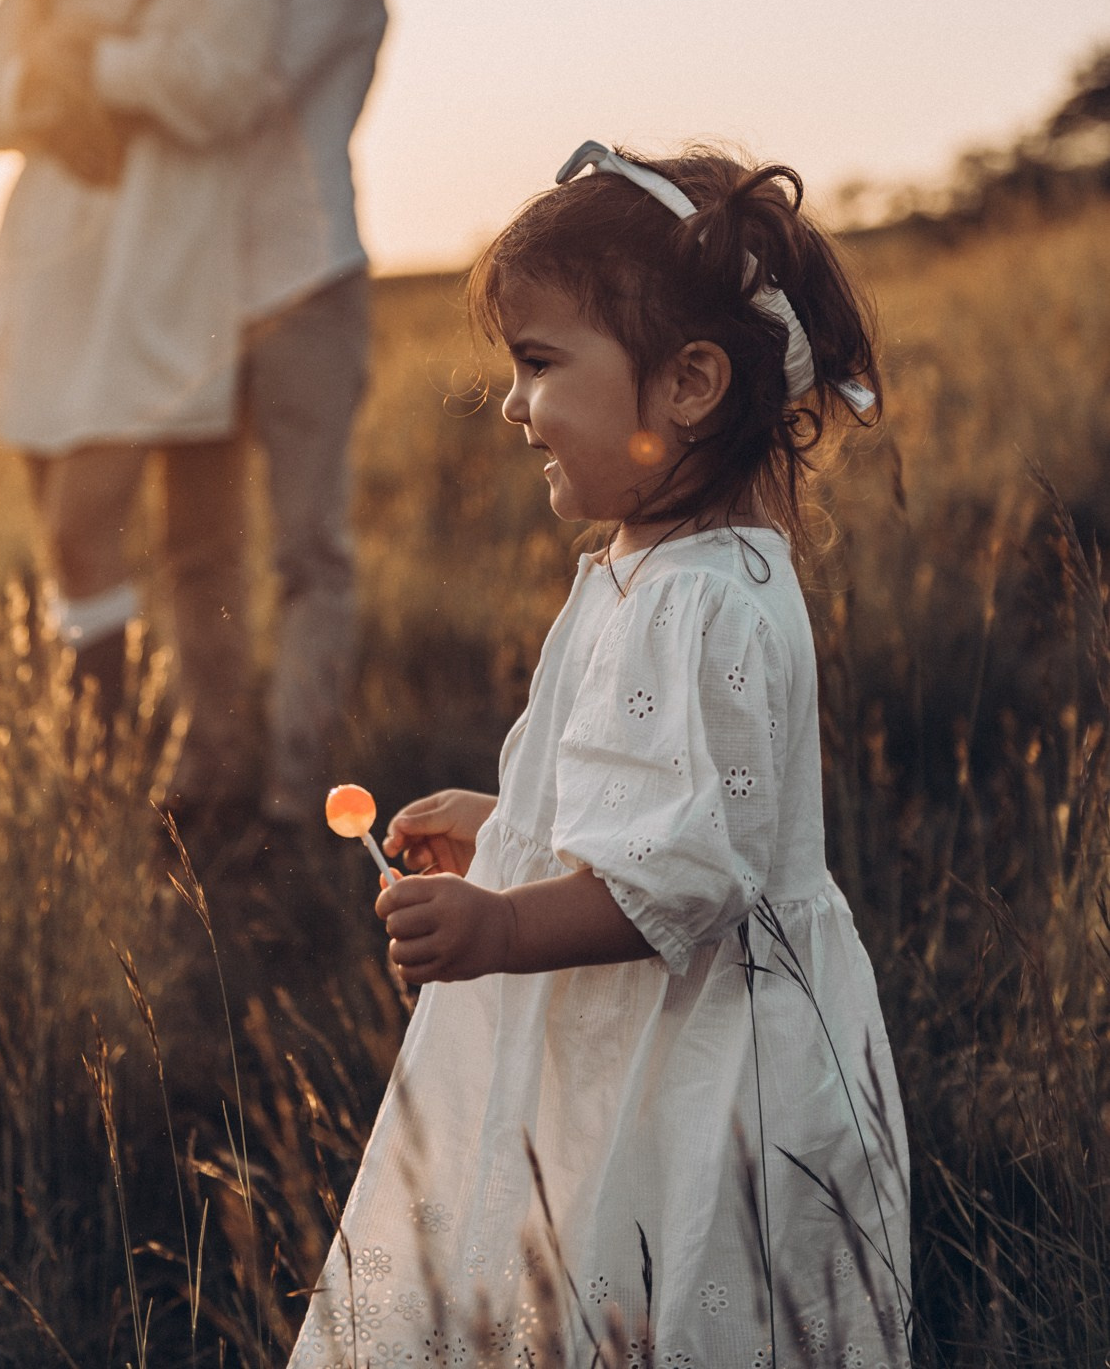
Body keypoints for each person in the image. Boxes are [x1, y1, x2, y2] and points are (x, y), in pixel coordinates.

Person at [289, 143, 911, 1368]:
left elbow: (689, 872)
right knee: (589, 1264)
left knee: (673, 1275)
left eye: (538, 364)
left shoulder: (704, 603)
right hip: (647, 1021)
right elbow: (647, 798)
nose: (514, 404)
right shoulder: (648, 571)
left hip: (700, 1052)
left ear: (686, 383)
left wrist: (505, 928)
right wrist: (509, 822)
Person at [0, 0, 278, 744]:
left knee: (84, 523)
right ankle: (107, 756)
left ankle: (120, 754)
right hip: (47, 269)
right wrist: (49, 82)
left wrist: (93, 62)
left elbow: (223, 90)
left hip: (155, 272)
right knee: (68, 545)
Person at [167, 0, 388, 828]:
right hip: (189, 292)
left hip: (309, 277)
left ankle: (298, 791)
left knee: (308, 547)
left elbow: (251, 89)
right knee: (195, 545)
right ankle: (208, 770)